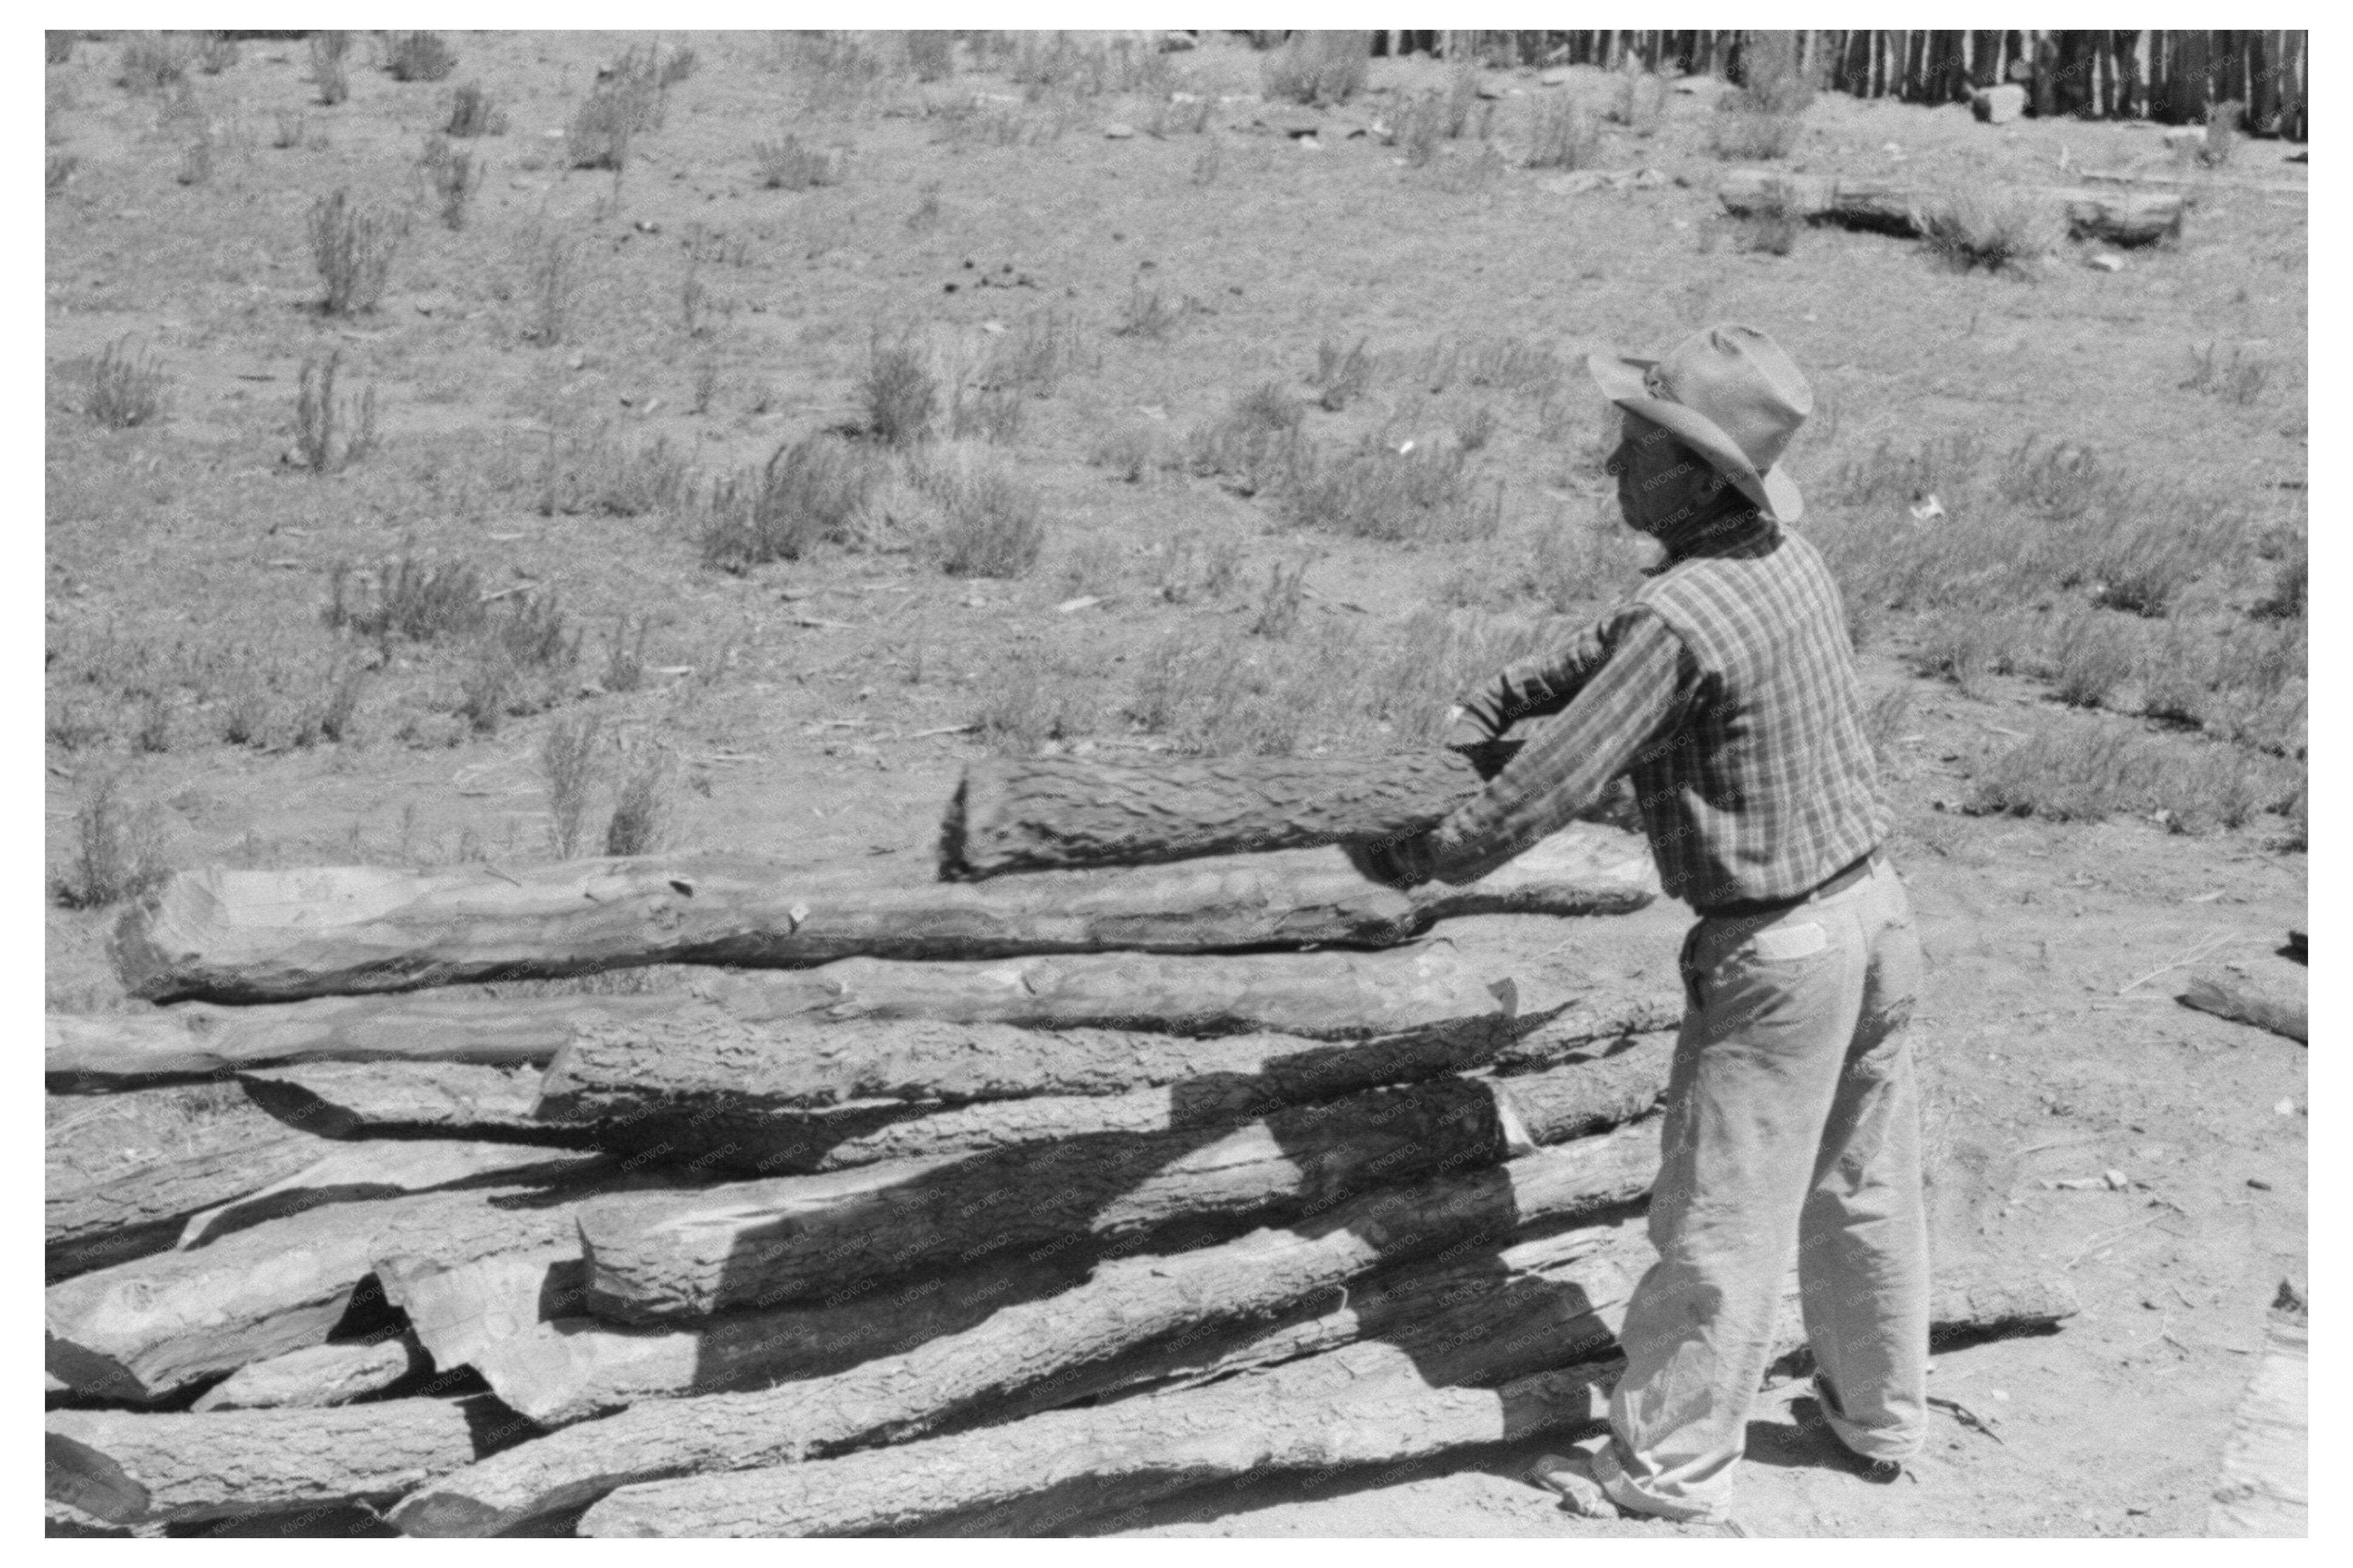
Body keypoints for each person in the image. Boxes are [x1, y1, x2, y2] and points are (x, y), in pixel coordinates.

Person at [1351, 325, 1928, 1526]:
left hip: (1781, 953)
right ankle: (1876, 1419)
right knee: (1862, 1181)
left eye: (1635, 449)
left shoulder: (1684, 618)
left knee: (1718, 1219)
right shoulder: (1776, 556)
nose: (1613, 467)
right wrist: (1500, 695)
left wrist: (1417, 857)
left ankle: (1664, 1475)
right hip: (1876, 915)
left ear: (1693, 477)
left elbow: (1548, 785)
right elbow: (1610, 655)